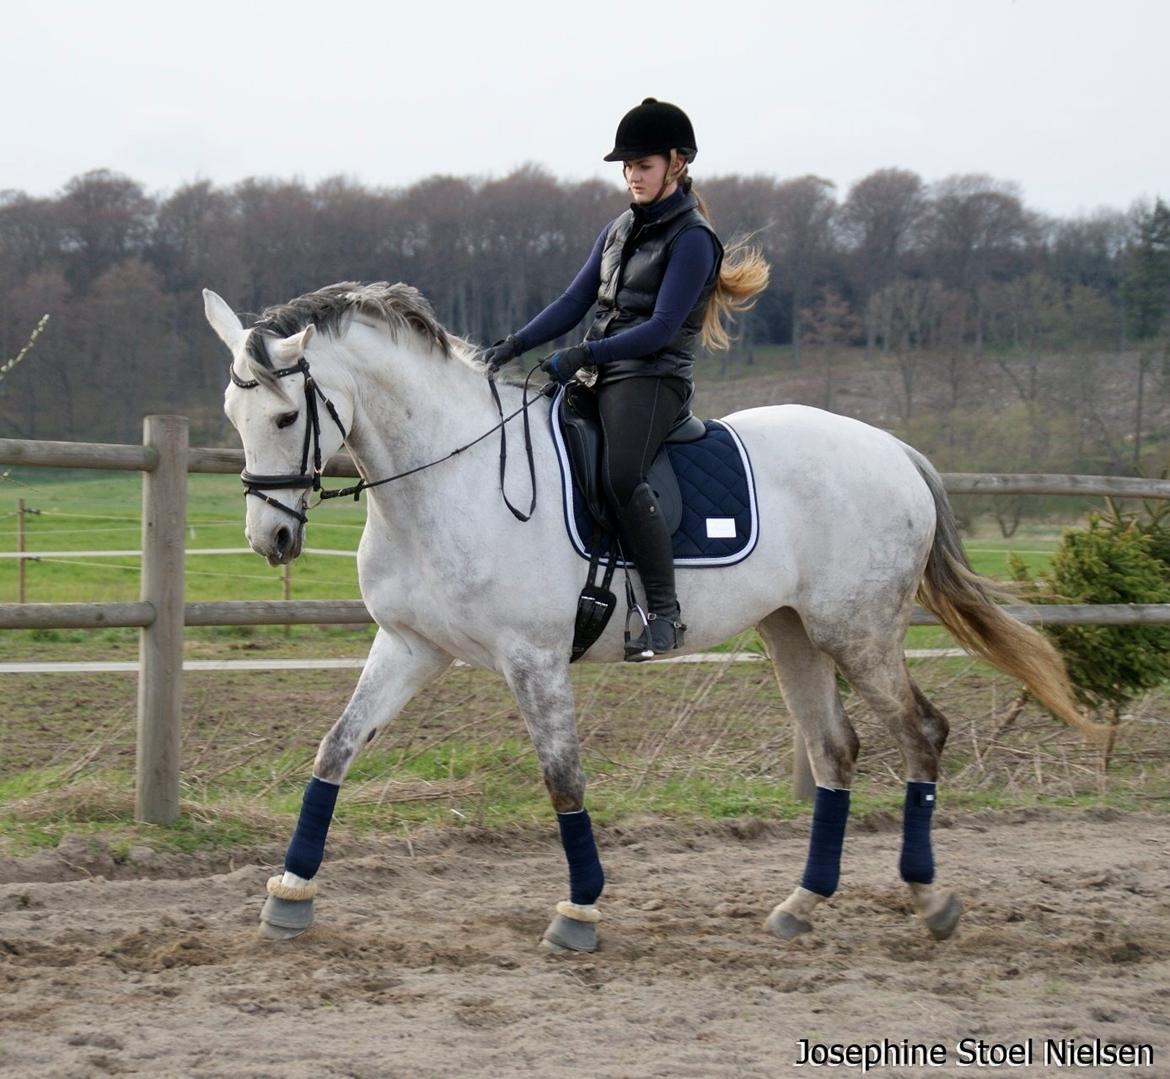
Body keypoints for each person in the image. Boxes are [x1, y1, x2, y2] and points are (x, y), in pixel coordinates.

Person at [484, 97, 770, 660]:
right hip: (604, 367)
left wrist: (584, 353)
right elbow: (574, 299)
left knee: (620, 475)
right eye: (626, 167)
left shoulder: (693, 239)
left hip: (652, 378)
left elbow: (662, 328)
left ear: (676, 164)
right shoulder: (620, 227)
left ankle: (665, 612)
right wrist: (515, 344)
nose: (631, 176)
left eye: (642, 165)